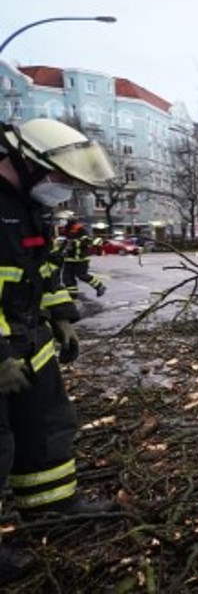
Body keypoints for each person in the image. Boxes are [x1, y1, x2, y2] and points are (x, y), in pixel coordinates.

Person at [0, 119, 119, 584]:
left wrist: (62, 316)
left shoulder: (27, 208)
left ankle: (52, 505)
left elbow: (44, 269)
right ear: (29, 163)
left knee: (46, 421)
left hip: (31, 338)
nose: (64, 189)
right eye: (62, 178)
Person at [56, 215, 106, 298]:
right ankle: (73, 294)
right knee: (67, 277)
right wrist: (59, 252)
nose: (62, 222)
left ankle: (99, 286)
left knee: (82, 275)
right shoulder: (65, 230)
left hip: (81, 258)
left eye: (64, 220)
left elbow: (88, 240)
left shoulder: (81, 229)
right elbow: (63, 243)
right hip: (69, 258)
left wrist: (74, 243)